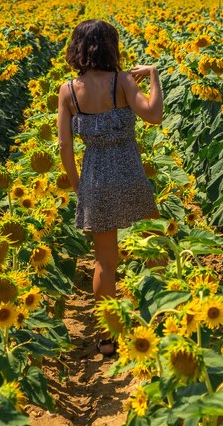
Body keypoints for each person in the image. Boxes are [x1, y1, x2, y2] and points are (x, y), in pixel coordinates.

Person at [57, 19, 163, 356]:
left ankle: (107, 338)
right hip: (130, 172)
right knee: (155, 243)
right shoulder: (123, 82)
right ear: (110, 47)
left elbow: (65, 148)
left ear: (78, 49)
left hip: (96, 179)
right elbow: (154, 114)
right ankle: (164, 316)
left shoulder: (68, 91)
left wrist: (79, 187)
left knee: (105, 262)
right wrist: (155, 76)